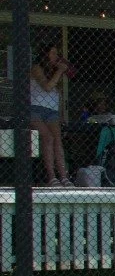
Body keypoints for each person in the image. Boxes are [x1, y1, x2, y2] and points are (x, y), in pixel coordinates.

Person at [27, 43, 73, 185]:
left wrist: (62, 115)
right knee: (48, 137)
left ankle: (64, 177)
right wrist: (60, 70)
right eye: (53, 53)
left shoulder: (53, 71)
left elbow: (58, 95)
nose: (56, 56)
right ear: (45, 55)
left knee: (58, 140)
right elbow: (47, 87)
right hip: (35, 110)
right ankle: (52, 177)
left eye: (56, 54)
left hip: (52, 111)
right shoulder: (36, 68)